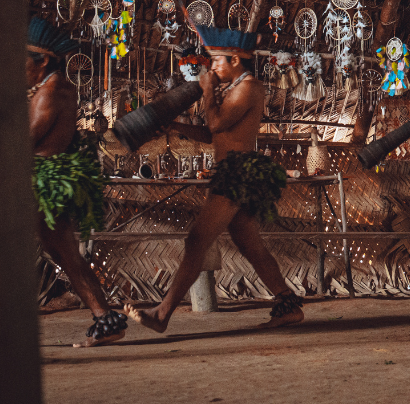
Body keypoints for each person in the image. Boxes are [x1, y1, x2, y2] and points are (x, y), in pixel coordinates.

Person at [125, 25, 303, 332]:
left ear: (235, 60)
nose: (213, 67)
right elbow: (211, 133)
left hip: (237, 175)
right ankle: (287, 304)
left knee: (197, 241)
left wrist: (206, 89)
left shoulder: (249, 88)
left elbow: (217, 123)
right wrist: (175, 128)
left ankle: (162, 314)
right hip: (235, 171)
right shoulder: (237, 88)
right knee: (249, 243)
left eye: (217, 60)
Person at [28, 17, 126, 347]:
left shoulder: (51, 92)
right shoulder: (56, 88)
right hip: (47, 181)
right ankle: (105, 318)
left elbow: (26, 140)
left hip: (44, 184)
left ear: (42, 59)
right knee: (68, 256)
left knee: (65, 255)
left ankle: (104, 317)